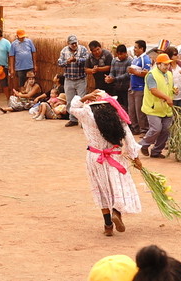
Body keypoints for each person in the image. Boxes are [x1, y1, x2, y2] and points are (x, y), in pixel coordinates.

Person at [70, 90, 143, 236]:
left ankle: (108, 224)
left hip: (95, 157)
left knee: (101, 189)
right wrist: (135, 158)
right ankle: (116, 211)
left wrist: (84, 98)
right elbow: (128, 138)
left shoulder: (87, 114)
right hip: (114, 157)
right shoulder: (117, 116)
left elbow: (72, 108)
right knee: (117, 186)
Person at [139, 53, 175, 159]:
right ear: (158, 64)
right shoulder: (151, 75)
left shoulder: (169, 74)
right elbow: (153, 90)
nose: (167, 66)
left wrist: (174, 90)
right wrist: (167, 98)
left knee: (166, 130)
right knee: (156, 129)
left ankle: (156, 151)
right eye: (165, 64)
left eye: (168, 64)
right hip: (153, 108)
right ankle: (143, 144)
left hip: (166, 108)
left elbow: (169, 87)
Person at [58, 34, 88, 127]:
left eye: (75, 43)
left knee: (82, 100)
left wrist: (76, 59)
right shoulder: (64, 51)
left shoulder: (83, 49)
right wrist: (67, 61)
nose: (74, 45)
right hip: (69, 79)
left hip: (81, 78)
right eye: (72, 44)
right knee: (70, 101)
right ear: (68, 44)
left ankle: (83, 120)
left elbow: (87, 59)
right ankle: (73, 119)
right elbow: (59, 63)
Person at [127, 40, 151, 135]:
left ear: (142, 48)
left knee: (140, 111)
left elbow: (147, 73)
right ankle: (135, 128)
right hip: (132, 88)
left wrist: (134, 72)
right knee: (132, 111)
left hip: (140, 88)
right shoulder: (135, 59)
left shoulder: (145, 59)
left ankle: (144, 130)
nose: (134, 49)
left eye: (136, 47)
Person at [105, 44, 132, 109]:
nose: (119, 56)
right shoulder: (114, 60)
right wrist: (109, 77)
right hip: (116, 88)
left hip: (126, 88)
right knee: (117, 107)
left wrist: (114, 79)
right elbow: (112, 72)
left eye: (121, 54)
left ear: (125, 53)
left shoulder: (130, 61)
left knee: (126, 107)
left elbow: (127, 75)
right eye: (118, 54)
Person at [165, 46, 181, 111]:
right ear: (170, 56)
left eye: (177, 54)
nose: (177, 56)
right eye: (175, 54)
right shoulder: (166, 67)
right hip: (172, 96)